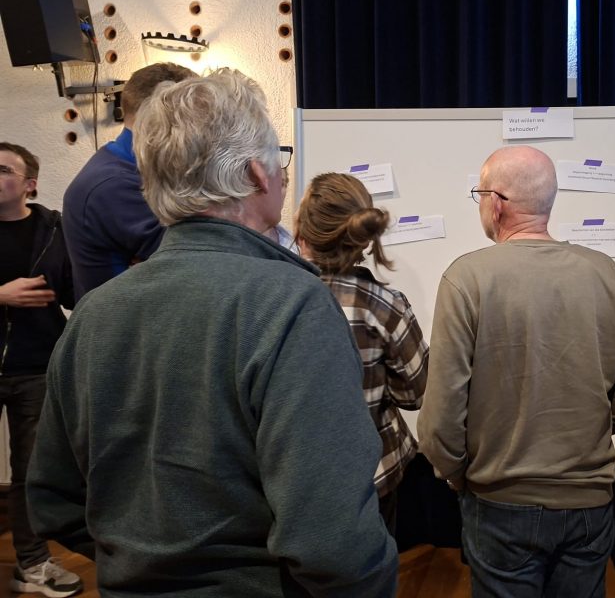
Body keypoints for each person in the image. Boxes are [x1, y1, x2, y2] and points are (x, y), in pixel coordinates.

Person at [26, 70, 397, 597]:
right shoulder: (291, 304)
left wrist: (144, 563)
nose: (282, 174)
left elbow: (54, 503)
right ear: (256, 174)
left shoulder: (93, 314)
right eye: (280, 159)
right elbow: (330, 539)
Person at [418, 145, 615, 598]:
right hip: (589, 500)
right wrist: (585, 430)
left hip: (499, 500)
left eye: (480, 195)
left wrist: (457, 472)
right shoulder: (605, 273)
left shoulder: (466, 278)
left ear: (496, 203)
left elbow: (440, 418)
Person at [294, 172, 429, 536]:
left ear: (303, 233)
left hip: (295, 476)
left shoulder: (274, 299)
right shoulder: (385, 305)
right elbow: (416, 395)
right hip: (373, 472)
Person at [0, 143, 82, 597]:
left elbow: (72, 292)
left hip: (36, 368)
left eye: (3, 169)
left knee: (31, 472)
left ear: (29, 184)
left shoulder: (55, 230)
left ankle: (32, 565)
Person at [62, 61, 195, 300]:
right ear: (165, 112)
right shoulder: (114, 183)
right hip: (124, 320)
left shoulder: (136, 167)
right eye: (197, 112)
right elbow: (199, 259)